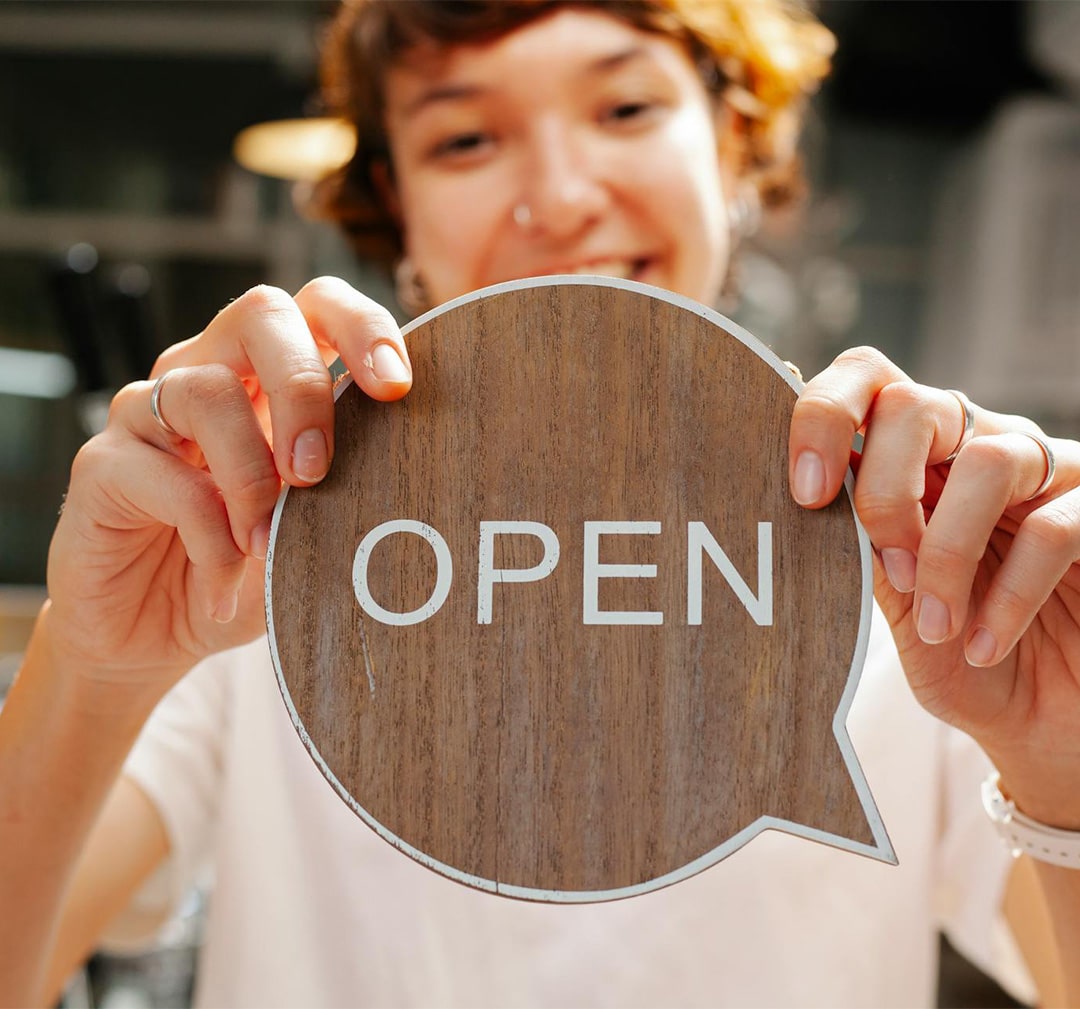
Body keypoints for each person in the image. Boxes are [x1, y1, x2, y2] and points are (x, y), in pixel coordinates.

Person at [2, 1, 1079, 1006]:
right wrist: (93, 662)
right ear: (396, 208)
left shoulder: (920, 577)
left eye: (626, 108)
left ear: (735, 148)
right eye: (467, 138)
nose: (560, 198)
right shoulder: (257, 557)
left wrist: (1064, 761)